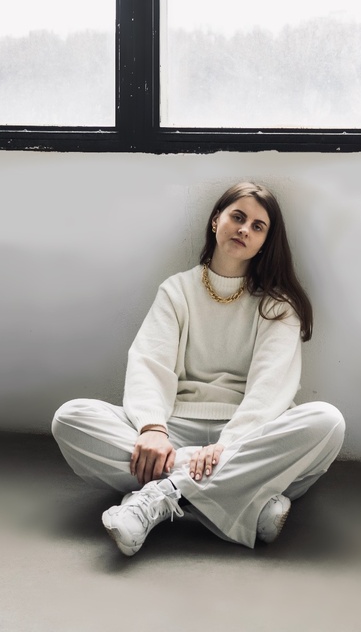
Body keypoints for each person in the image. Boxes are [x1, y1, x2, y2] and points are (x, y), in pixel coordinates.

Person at [52, 181, 345, 556]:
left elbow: (269, 391)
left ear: (264, 242)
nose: (244, 229)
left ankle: (162, 495)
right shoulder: (176, 291)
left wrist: (226, 446)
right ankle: (246, 502)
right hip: (176, 428)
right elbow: (149, 363)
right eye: (238, 217)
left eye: (257, 226)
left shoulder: (278, 305)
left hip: (249, 436)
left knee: (327, 422)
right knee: (71, 418)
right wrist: (153, 429)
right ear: (215, 221)